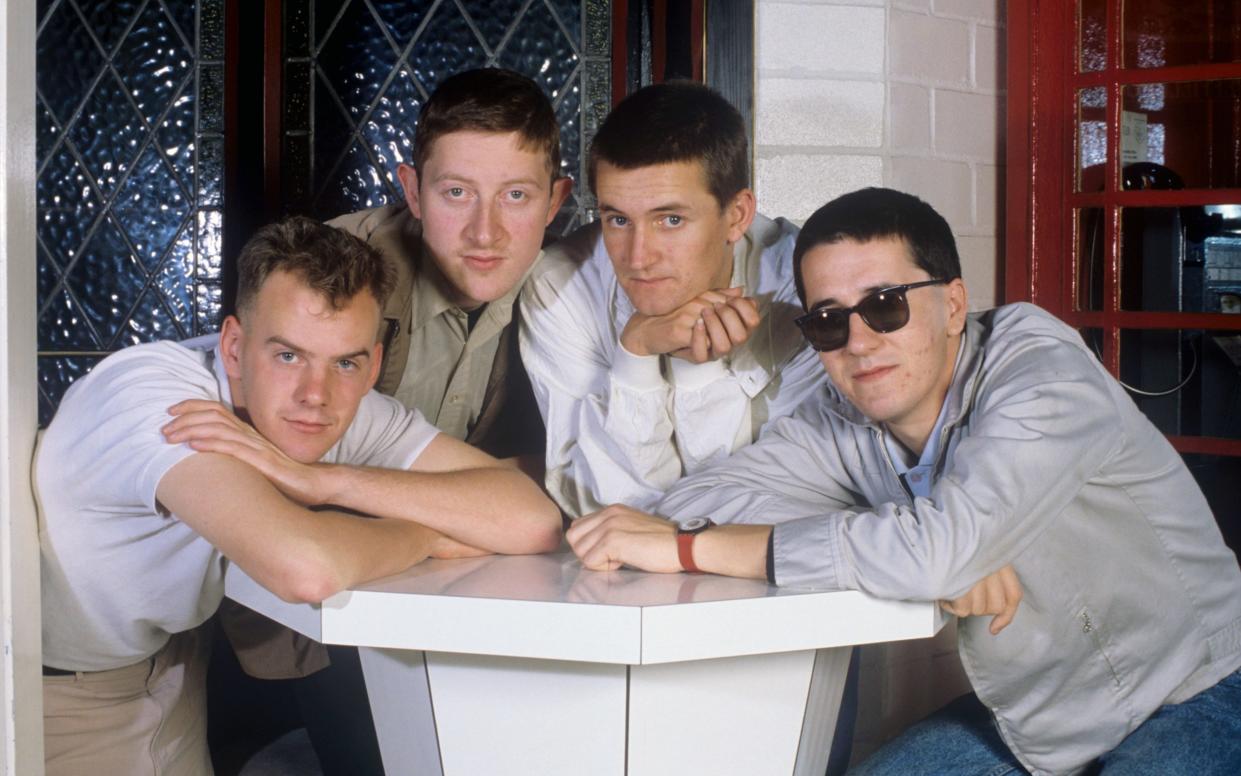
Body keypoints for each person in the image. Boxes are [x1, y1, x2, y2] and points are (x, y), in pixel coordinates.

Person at [567, 187, 1241, 775]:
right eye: (827, 321)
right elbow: (683, 504)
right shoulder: (842, 419)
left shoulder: (1038, 369)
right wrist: (937, 544)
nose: (858, 343)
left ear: (952, 306)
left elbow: (934, 552)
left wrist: (692, 551)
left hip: (1198, 690)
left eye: (884, 306)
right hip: (1040, 725)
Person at [37, 217, 561, 776]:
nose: (316, 395)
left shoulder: (336, 402)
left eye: (346, 362)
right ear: (234, 348)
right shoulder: (159, 403)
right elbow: (305, 570)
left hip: (173, 661)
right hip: (63, 690)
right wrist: (429, 532)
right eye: (287, 356)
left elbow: (533, 519)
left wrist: (326, 481)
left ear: (372, 365)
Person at [519, 80, 823, 517]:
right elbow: (597, 505)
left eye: (671, 219)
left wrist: (695, 369)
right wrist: (636, 355)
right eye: (618, 219)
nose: (639, 258)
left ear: (736, 215)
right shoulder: (560, 286)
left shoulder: (806, 286)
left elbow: (772, 507)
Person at [328, 67, 572, 468]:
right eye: (457, 193)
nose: (484, 233)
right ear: (413, 192)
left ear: (553, 202)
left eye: (515, 195)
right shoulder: (330, 271)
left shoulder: (581, 287)